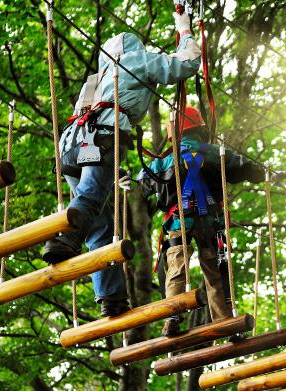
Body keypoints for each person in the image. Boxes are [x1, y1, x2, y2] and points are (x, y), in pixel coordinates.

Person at [42, 12, 201, 318]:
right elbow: (187, 62)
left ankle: (111, 298)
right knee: (91, 196)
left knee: (100, 225)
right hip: (101, 137)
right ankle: (65, 237)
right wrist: (184, 29)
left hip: (70, 147)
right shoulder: (135, 61)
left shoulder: (95, 80)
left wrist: (114, 170)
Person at [138, 106, 286, 337]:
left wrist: (123, 181)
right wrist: (269, 174)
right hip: (212, 222)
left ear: (174, 134)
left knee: (176, 267)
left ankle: (172, 315)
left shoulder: (162, 163)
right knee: (217, 273)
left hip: (179, 222)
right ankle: (225, 321)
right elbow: (245, 168)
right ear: (201, 130)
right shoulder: (216, 153)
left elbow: (141, 185)